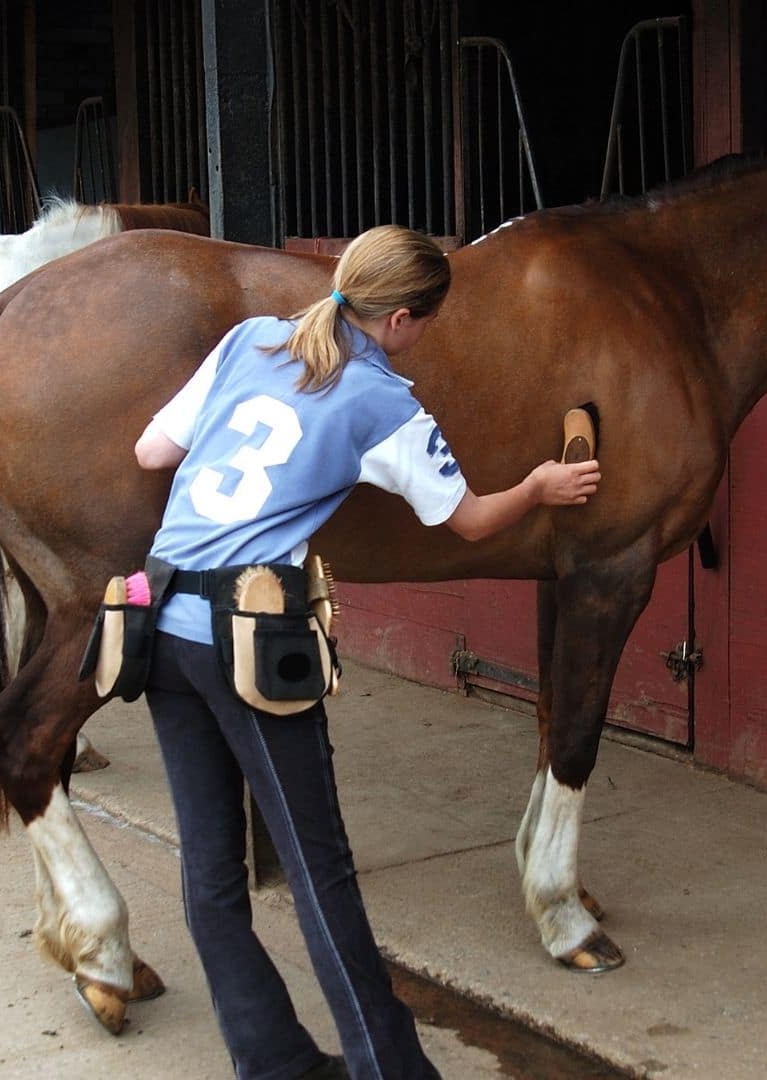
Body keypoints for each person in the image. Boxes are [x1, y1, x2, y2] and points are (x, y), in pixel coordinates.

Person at [132, 225, 601, 1080]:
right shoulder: (384, 401)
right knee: (320, 871)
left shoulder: (249, 338)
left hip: (157, 623)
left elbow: (151, 451)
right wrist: (539, 487)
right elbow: (467, 521)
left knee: (210, 868)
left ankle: (272, 1062)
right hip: (248, 638)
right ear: (407, 319)